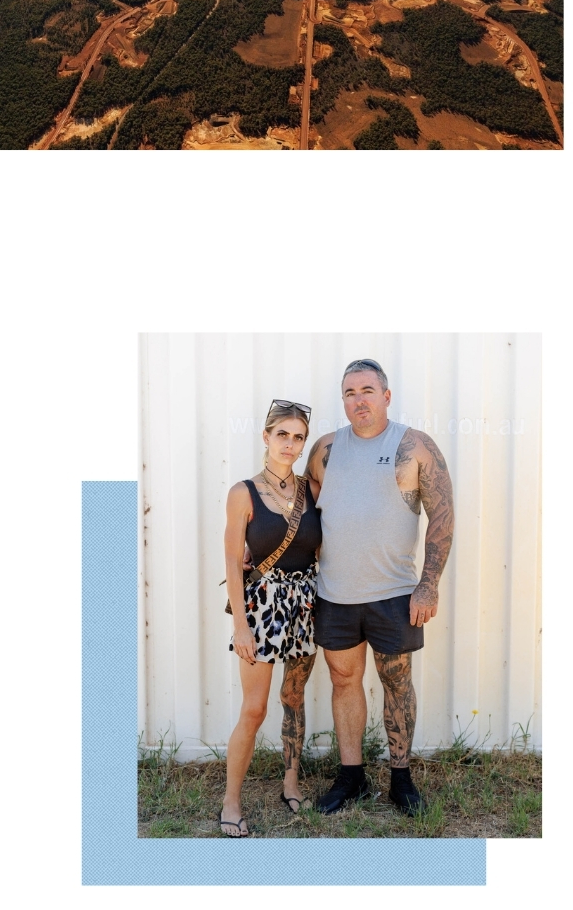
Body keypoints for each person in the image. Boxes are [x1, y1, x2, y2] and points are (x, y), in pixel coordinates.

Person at [308, 358, 455, 818]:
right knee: (343, 681)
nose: (358, 400)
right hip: (335, 593)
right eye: (349, 392)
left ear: (386, 396)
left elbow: (443, 516)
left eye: (367, 390)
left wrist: (428, 585)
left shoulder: (414, 446)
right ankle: (350, 775)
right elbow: (309, 505)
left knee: (397, 683)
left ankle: (401, 778)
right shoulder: (327, 449)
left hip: (394, 593)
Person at [217, 399, 324, 837]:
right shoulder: (242, 492)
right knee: (255, 708)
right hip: (260, 609)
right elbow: (230, 561)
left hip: (304, 606)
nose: (291, 444)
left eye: (299, 437)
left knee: (294, 699)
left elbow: (323, 545)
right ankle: (231, 799)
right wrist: (240, 625)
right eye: (283, 434)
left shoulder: (312, 491)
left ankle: (291, 781)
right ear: (266, 436)